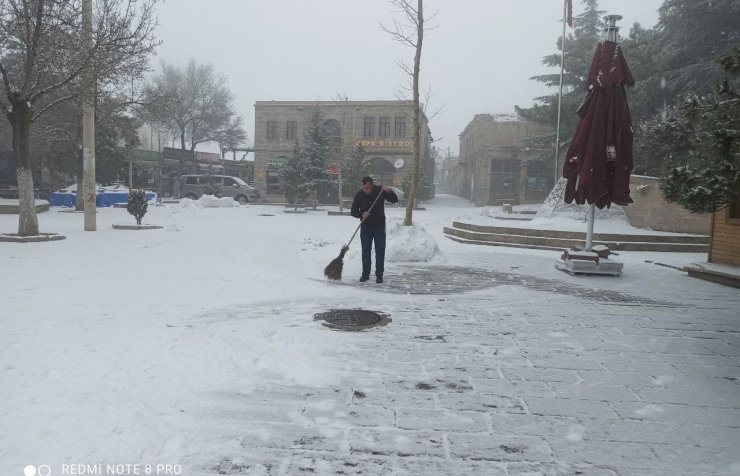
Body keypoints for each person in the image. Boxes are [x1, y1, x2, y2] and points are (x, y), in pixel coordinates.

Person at [350, 176, 398, 283]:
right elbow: (353, 211)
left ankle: (379, 275)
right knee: (366, 251)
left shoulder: (380, 191)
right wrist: (361, 214)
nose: (365, 190)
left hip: (379, 226)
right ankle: (365, 274)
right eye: (364, 188)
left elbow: (394, 200)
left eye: (368, 188)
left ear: (372, 186)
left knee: (380, 251)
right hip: (366, 227)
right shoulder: (359, 195)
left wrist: (389, 191)